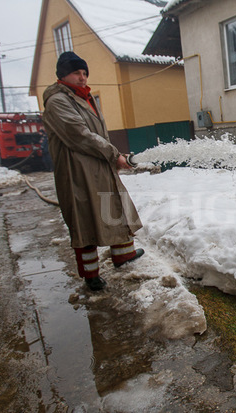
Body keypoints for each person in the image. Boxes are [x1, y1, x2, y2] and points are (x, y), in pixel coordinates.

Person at [42, 51, 144, 291]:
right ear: (63, 75)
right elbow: (79, 135)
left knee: (113, 207)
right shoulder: (57, 101)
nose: (82, 77)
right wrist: (113, 154)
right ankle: (91, 275)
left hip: (98, 164)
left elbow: (99, 134)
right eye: (76, 72)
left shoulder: (84, 97)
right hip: (77, 171)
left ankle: (123, 255)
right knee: (84, 217)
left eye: (85, 72)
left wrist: (111, 155)